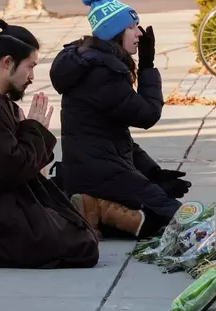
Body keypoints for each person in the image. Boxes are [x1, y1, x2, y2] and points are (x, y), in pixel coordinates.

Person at [0, 19, 100, 269]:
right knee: (82, 247)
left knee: (79, 233)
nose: (32, 76)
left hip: (2, 209)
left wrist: (30, 131)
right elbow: (13, 168)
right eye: (29, 66)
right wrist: (35, 130)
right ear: (7, 63)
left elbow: (18, 167)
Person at [49, 0, 191, 240]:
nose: (139, 33)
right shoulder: (102, 71)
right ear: (114, 32)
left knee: (164, 204)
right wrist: (147, 65)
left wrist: (154, 173)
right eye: (132, 27)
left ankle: (93, 208)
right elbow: (148, 114)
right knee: (177, 218)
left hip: (95, 168)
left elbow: (116, 137)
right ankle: (95, 208)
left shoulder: (94, 62)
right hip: (97, 172)